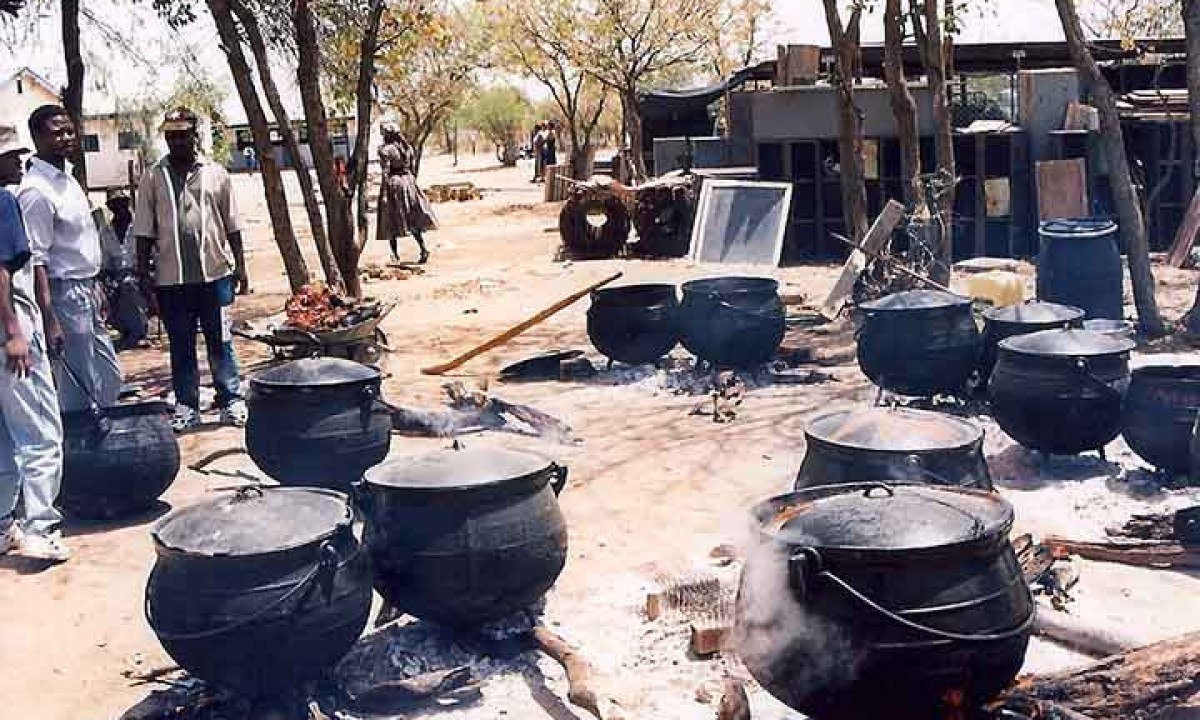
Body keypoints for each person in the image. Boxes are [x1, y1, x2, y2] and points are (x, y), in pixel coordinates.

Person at [132, 107, 248, 432]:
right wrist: (144, 276)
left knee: (220, 341)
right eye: (171, 136)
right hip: (172, 282)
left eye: (183, 135)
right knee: (181, 345)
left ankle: (230, 400)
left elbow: (232, 224)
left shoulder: (216, 173)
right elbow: (143, 231)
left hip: (215, 276)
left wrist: (241, 267)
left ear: (194, 135)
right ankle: (187, 405)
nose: (177, 141)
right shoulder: (152, 177)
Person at [18, 104, 122, 414]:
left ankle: (99, 431)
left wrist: (96, 285)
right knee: (79, 381)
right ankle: (80, 437)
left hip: (87, 287)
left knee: (108, 375)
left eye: (69, 132)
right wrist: (49, 317)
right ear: (37, 138)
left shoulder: (69, 179)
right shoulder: (36, 191)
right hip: (63, 293)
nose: (65, 138)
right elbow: (37, 259)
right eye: (56, 133)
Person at [0, 123, 69, 563]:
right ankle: (41, 528)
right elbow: (1, 272)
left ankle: (3, 525)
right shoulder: (4, 201)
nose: (20, 161)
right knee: (41, 434)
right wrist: (14, 332)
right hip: (12, 333)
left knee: (3, 438)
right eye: (11, 155)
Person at [376, 123, 436, 264]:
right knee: (412, 218)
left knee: (390, 219)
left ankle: (395, 255)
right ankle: (423, 248)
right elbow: (412, 167)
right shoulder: (407, 148)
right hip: (409, 183)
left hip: (394, 185)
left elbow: (385, 172)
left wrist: (384, 193)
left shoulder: (386, 150)